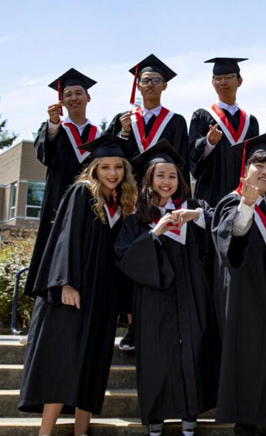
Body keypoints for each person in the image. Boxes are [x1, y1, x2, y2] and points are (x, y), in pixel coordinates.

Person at [18, 134, 138, 436]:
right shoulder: (81, 193)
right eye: (106, 167)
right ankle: (45, 432)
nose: (113, 173)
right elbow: (65, 238)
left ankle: (81, 432)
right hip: (73, 295)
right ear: (95, 169)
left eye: (118, 168)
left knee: (94, 365)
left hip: (102, 297)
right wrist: (66, 283)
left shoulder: (120, 204)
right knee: (63, 363)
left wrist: (124, 303)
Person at [114, 140, 219, 436]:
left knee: (193, 351)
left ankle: (189, 418)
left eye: (172, 176)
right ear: (149, 179)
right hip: (153, 295)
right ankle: (156, 420)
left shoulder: (194, 208)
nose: (167, 181)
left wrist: (195, 218)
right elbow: (123, 255)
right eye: (160, 175)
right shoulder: (138, 216)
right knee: (156, 354)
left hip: (191, 292)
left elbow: (219, 230)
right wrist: (154, 234)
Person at [211, 133, 266, 436]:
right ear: (245, 169)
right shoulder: (233, 202)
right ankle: (247, 426)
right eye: (260, 165)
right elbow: (231, 242)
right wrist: (246, 207)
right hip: (246, 301)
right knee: (249, 362)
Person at [108, 53, 190, 350]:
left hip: (164, 202)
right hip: (131, 202)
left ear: (164, 85)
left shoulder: (176, 121)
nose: (150, 85)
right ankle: (132, 327)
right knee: (132, 258)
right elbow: (112, 159)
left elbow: (181, 164)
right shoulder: (124, 120)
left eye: (156, 80)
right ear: (137, 86)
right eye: (145, 80)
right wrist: (125, 132)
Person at [26, 69, 101, 298]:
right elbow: (44, 155)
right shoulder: (54, 128)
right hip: (57, 201)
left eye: (79, 93)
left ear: (88, 98)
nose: (74, 98)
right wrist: (53, 123)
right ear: (62, 101)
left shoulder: (98, 134)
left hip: (90, 204)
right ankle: (51, 297)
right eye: (68, 94)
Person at [189, 57, 259, 206]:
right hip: (210, 193)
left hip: (242, 194)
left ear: (240, 81)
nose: (223, 82)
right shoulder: (201, 116)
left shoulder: (250, 121)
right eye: (218, 78)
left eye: (229, 77)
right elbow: (192, 154)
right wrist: (208, 143)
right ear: (212, 82)